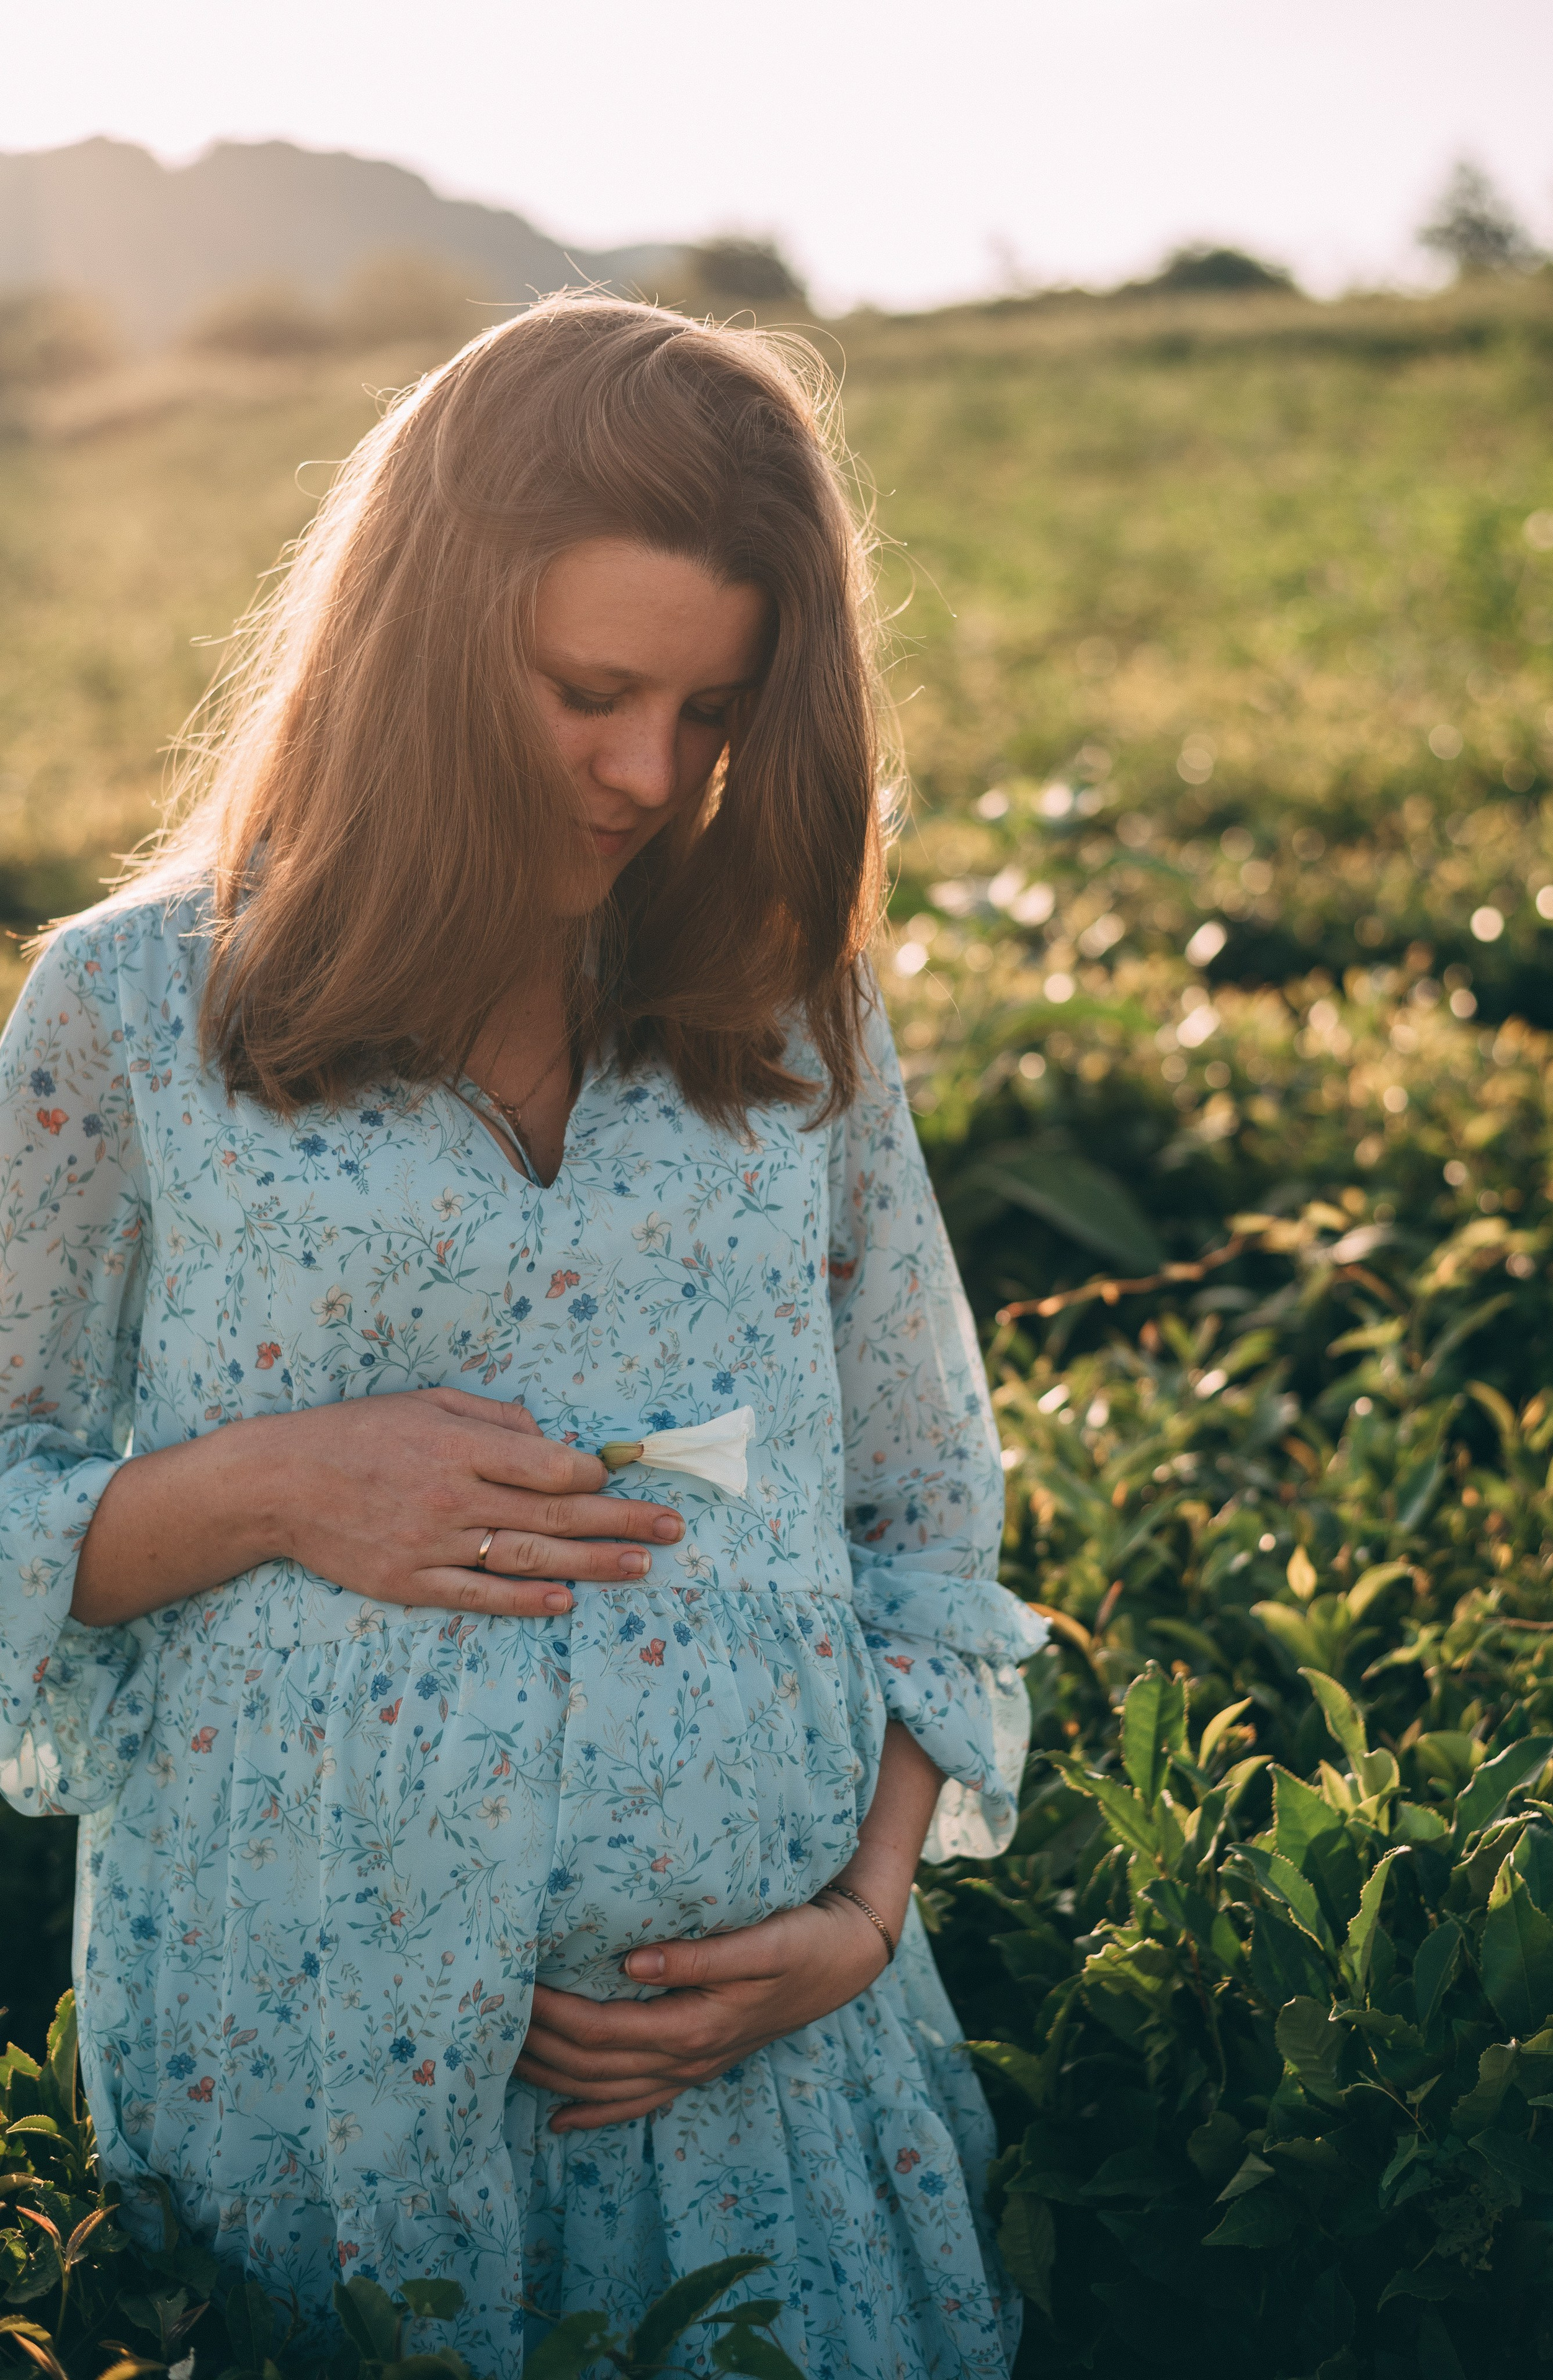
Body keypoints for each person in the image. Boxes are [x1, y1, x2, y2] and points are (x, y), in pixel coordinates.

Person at [0, 297, 1045, 2380]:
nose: (652, 774)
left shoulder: (788, 1021)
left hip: (762, 2107)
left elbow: (928, 1509)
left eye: (713, 711)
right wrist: (265, 1485)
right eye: (591, 691)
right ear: (420, 639)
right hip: (301, 2086)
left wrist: (857, 1920)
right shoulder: (127, 1018)